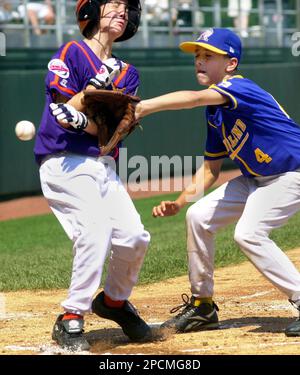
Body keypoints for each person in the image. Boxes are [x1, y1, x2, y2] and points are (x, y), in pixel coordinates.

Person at [134, 28, 300, 337]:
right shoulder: (216, 113)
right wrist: (180, 201)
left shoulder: (240, 88)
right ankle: (202, 306)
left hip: (292, 173)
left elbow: (193, 98)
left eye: (208, 55)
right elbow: (211, 169)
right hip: (256, 178)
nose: (199, 61)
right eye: (197, 56)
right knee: (198, 217)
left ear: (231, 64)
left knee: (249, 233)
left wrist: (144, 106)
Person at [34, 0, 151, 351]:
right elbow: (62, 112)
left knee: (135, 238)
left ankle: (113, 302)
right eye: (113, 3)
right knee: (95, 231)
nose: (121, 10)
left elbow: (112, 130)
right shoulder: (72, 52)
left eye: (125, 7)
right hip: (65, 162)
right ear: (92, 10)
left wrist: (88, 120)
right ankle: (71, 317)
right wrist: (88, 96)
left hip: (103, 165)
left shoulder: (127, 72)